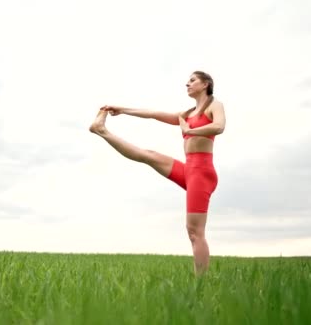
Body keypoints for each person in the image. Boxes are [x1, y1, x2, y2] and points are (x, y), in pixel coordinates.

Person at [89, 71, 226, 275]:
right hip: (189, 169)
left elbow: (219, 126)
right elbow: (153, 113)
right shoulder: (186, 114)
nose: (186, 83)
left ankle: (202, 284)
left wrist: (190, 130)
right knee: (149, 155)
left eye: (192, 80)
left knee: (194, 232)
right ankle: (102, 130)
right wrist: (122, 110)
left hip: (202, 173)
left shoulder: (214, 105)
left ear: (205, 84)